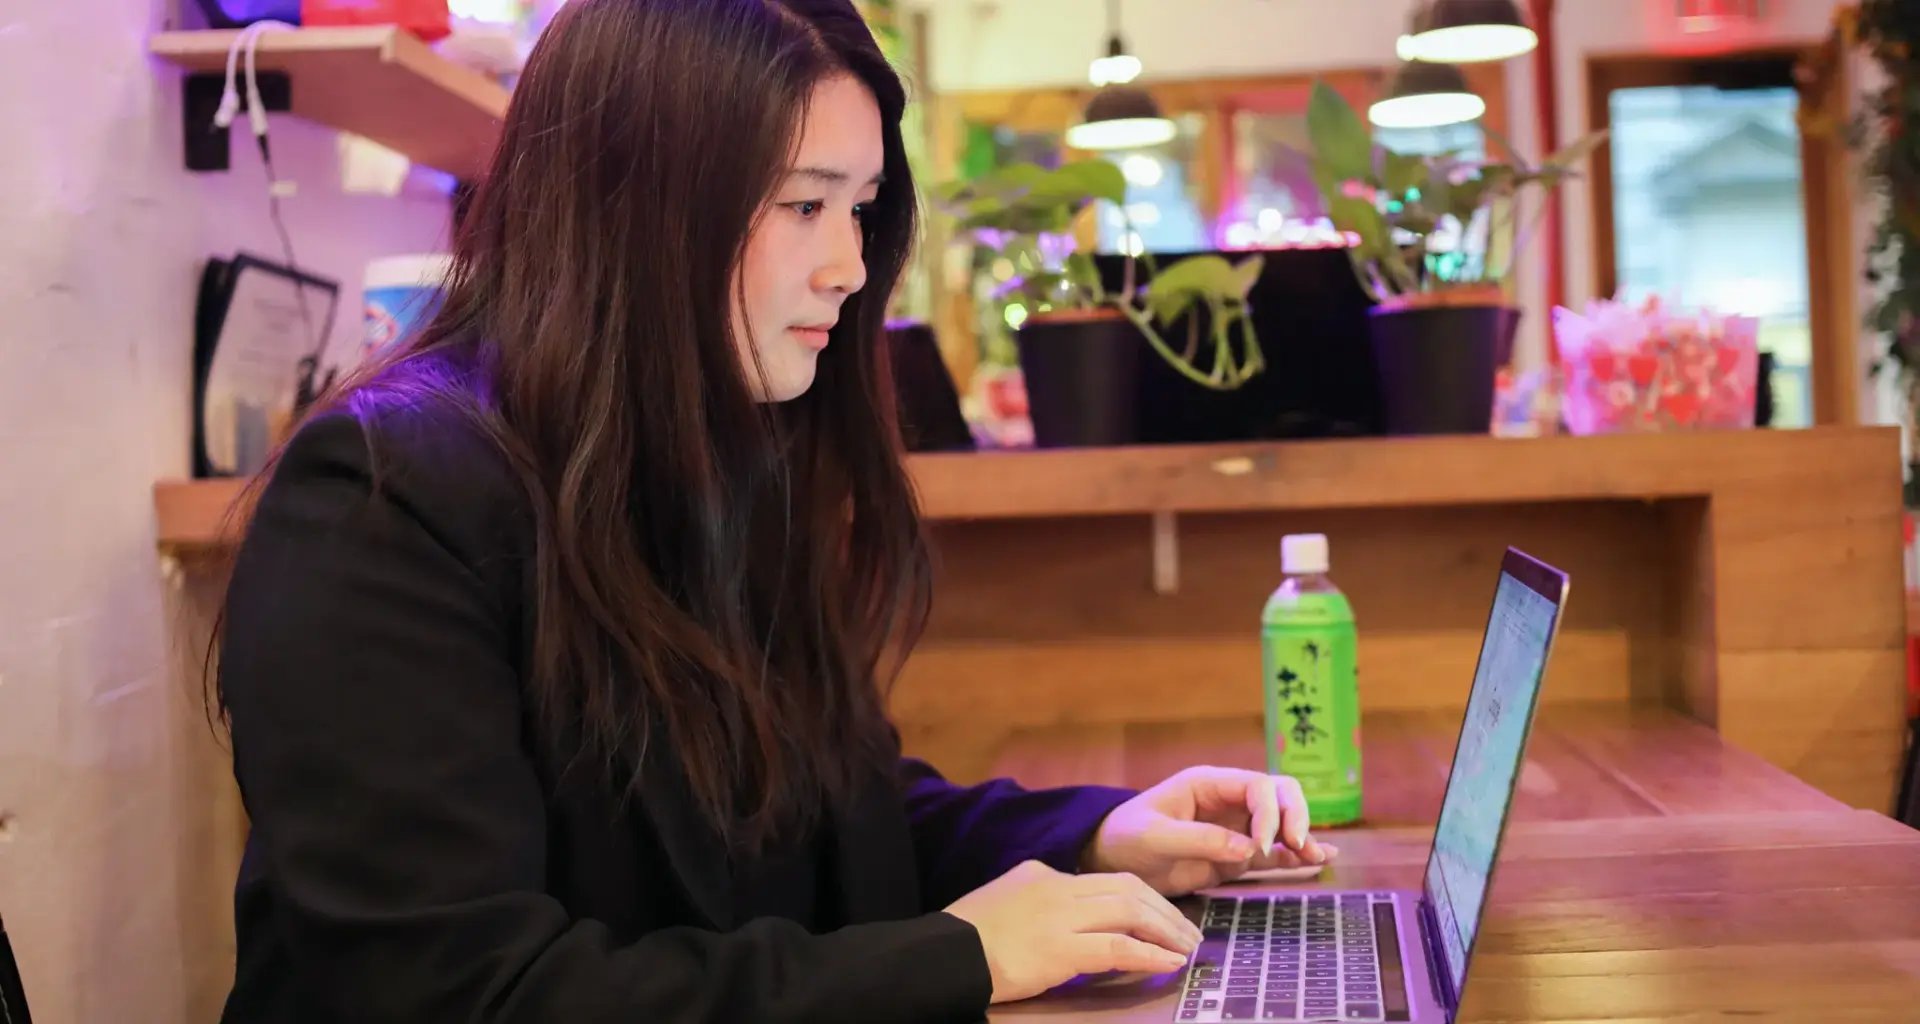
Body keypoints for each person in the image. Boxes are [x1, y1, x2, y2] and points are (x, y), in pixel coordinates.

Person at [211, 1, 1332, 1021]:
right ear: (633, 205)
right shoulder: (381, 502)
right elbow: (463, 992)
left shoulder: (718, 452)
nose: (849, 264)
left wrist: (1094, 835)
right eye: (804, 204)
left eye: (862, 208)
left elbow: (816, 815)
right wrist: (954, 956)